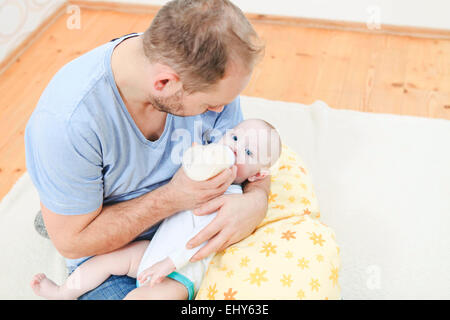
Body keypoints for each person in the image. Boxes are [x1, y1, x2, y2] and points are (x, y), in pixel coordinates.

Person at [24, 0, 270, 300]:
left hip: (193, 239)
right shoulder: (69, 122)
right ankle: (69, 208)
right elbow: (74, 243)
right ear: (164, 82)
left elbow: (254, 155)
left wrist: (256, 201)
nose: (220, 110)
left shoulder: (204, 75)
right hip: (119, 254)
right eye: (209, 104)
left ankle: (69, 203)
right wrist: (173, 197)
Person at [31, 119, 282, 300]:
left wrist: (170, 263)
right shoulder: (208, 169)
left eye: (247, 152)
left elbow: (201, 242)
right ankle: (63, 293)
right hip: (152, 249)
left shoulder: (231, 200)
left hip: (180, 274)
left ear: (258, 174)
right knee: (105, 261)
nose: (235, 148)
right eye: (235, 139)